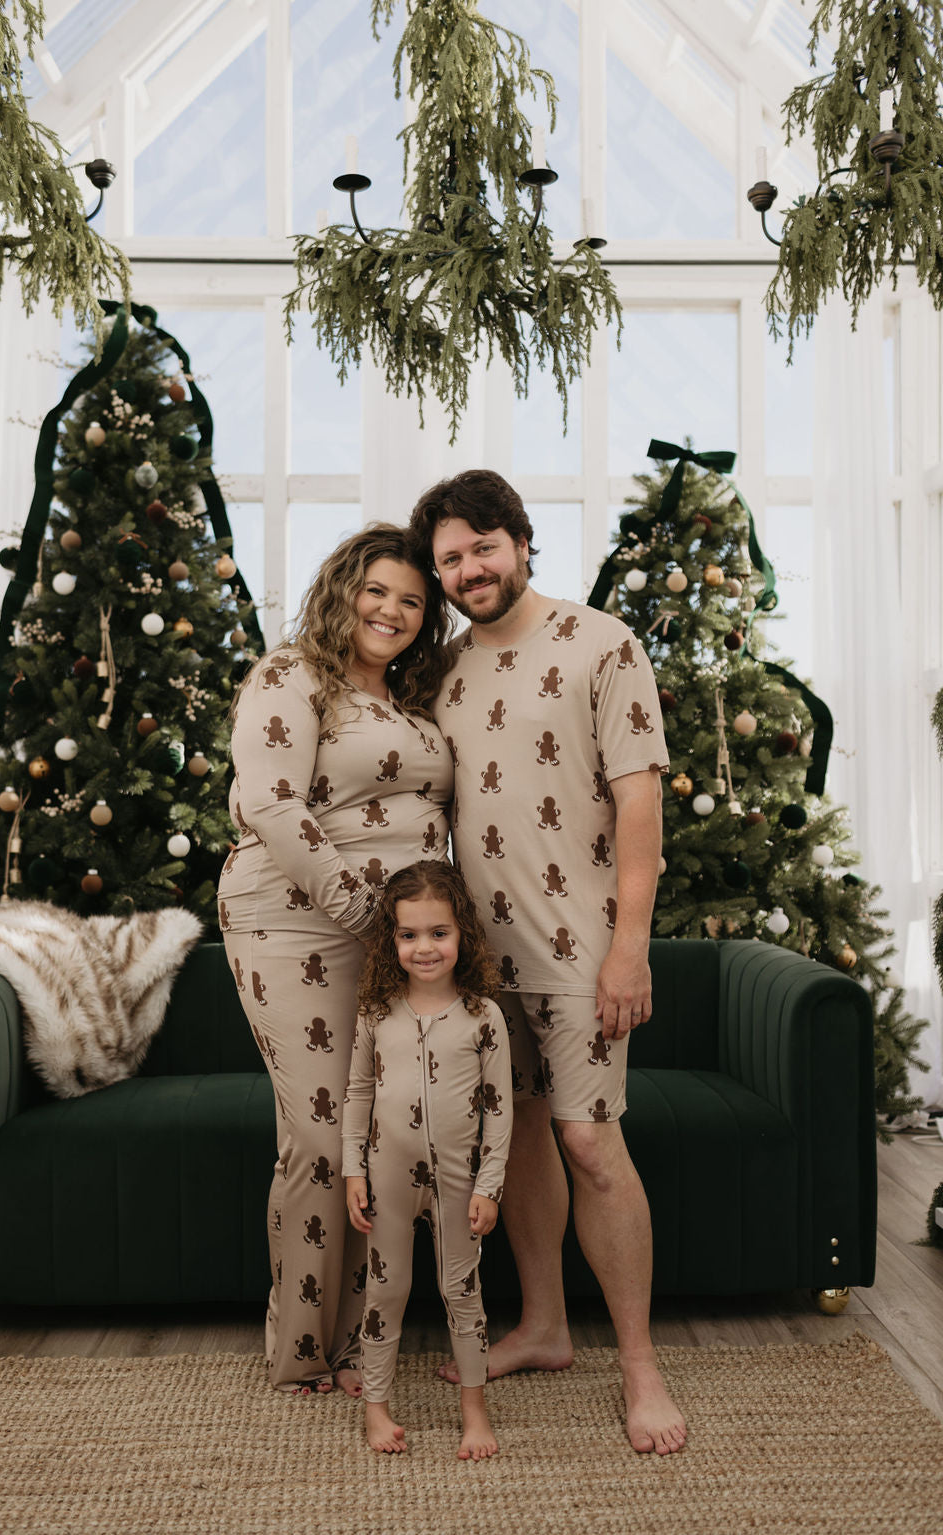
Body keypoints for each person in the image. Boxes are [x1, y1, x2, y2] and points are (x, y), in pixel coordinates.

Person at [409, 469, 688, 1456]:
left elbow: (641, 806)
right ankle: (542, 1325)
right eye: (448, 557)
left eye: (481, 546)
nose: (467, 568)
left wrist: (627, 949)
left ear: (520, 541)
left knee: (587, 1140)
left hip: (581, 948)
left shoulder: (601, 643)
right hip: (478, 960)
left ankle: (641, 1367)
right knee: (524, 1132)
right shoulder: (438, 667)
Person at [219, 524, 454, 1395]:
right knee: (322, 1132)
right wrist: (362, 910)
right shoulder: (289, 677)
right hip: (296, 922)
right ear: (343, 588)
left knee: (377, 1132)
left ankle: (359, 1343)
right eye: (378, 590)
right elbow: (274, 807)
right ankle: (301, 1353)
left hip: (397, 936)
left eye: (412, 601)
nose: (392, 610)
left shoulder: (407, 700)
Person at [343, 861, 512, 1459]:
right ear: (392, 940)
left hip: (461, 1182)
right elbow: (359, 1091)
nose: (425, 948)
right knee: (385, 1292)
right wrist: (353, 1170)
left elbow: (499, 1108)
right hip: (387, 1176)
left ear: (461, 934)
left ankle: (474, 1410)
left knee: (461, 1291)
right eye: (409, 935)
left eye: (438, 933)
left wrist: (489, 1186)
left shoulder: (482, 1017)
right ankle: (377, 1411)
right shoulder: (377, 1012)